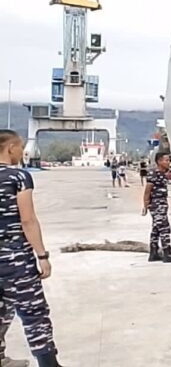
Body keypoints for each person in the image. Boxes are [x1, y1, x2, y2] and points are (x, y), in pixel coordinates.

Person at [0, 130, 63, 367]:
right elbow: (27, 220)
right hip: (15, 257)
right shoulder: (18, 176)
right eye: (20, 147)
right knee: (33, 313)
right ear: (10, 148)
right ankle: (48, 363)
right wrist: (42, 256)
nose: (22, 151)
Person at [142, 152, 171, 263]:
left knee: (156, 229)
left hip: (161, 204)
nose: (168, 162)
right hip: (156, 205)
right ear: (159, 161)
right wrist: (145, 205)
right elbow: (147, 191)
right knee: (164, 228)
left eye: (169, 160)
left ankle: (153, 253)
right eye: (166, 160)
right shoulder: (154, 174)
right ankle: (167, 254)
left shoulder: (162, 173)